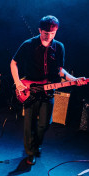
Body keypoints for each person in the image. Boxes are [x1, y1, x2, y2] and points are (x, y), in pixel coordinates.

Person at [10, 15, 80, 165]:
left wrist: (73, 79)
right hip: (30, 89)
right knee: (29, 123)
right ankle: (30, 153)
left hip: (48, 91)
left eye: (53, 33)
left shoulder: (59, 47)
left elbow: (60, 70)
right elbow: (13, 62)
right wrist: (17, 82)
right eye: (46, 33)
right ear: (40, 30)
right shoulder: (28, 44)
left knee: (45, 124)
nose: (49, 36)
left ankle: (36, 145)